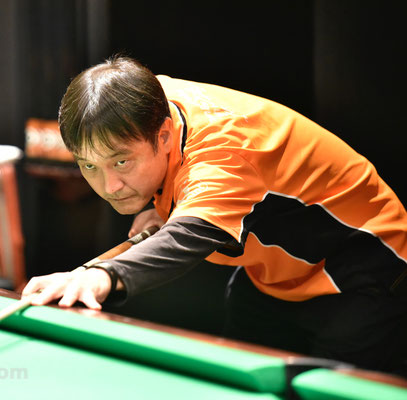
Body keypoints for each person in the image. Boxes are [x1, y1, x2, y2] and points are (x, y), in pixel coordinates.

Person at [22, 56, 407, 375]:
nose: (110, 186)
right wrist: (164, 205)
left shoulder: (223, 157)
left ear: (164, 136)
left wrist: (101, 275)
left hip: (363, 265)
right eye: (89, 166)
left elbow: (186, 236)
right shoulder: (141, 101)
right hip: (275, 275)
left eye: (121, 162)